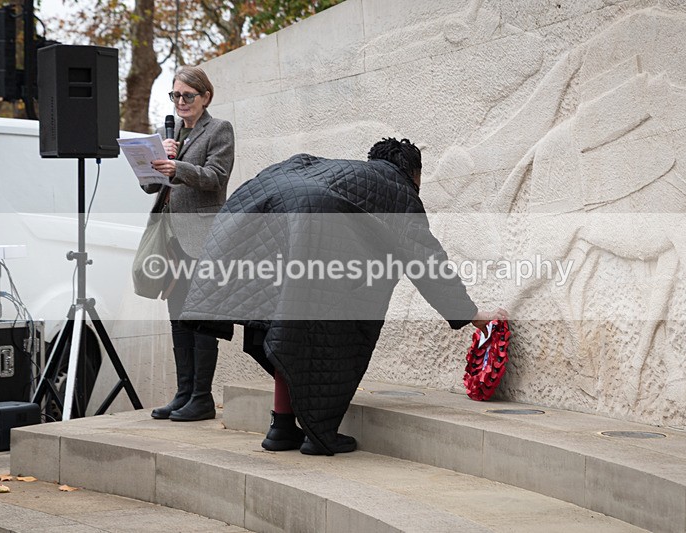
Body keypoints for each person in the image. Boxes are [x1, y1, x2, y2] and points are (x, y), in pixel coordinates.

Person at [181, 138, 504, 453]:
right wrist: (472, 315)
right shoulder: (399, 189)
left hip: (257, 216)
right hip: (308, 231)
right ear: (413, 173)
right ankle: (319, 435)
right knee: (333, 336)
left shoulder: (331, 169)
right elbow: (427, 260)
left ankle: (281, 428)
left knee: (283, 328)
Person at [145, 65, 235, 421]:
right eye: (175, 95)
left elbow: (216, 178)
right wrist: (155, 163)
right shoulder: (168, 136)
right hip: (170, 237)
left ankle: (202, 397)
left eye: (187, 95)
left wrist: (176, 167)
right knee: (177, 317)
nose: (180, 102)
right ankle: (183, 394)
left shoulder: (219, 130)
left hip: (203, 237)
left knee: (201, 318)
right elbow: (151, 187)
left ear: (205, 97)